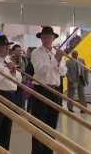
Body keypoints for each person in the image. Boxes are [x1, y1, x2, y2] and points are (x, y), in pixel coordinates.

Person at [30, 26, 67, 154]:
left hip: (55, 90)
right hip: (41, 90)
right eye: (44, 37)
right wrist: (55, 60)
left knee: (52, 124)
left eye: (49, 37)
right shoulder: (36, 53)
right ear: (41, 38)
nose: (47, 39)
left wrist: (59, 60)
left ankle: (48, 152)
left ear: (53, 38)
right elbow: (40, 70)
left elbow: (63, 72)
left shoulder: (56, 52)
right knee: (39, 125)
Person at [10, 44, 27, 108]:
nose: (19, 52)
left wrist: (20, 59)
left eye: (20, 50)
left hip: (22, 83)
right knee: (14, 101)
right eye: (17, 50)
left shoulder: (23, 59)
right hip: (13, 83)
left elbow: (23, 70)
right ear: (13, 51)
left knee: (21, 101)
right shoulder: (10, 59)